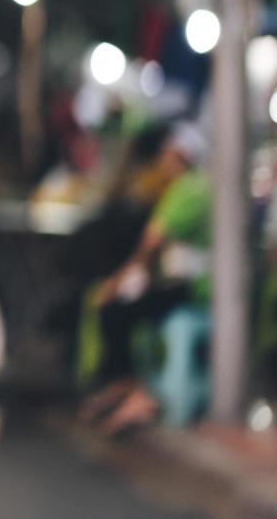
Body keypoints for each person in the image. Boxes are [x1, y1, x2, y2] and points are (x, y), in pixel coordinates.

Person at [78, 120, 211, 435]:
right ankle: (129, 385)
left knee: (117, 309)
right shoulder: (193, 187)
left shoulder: (189, 189)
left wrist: (115, 284)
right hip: (189, 286)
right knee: (126, 308)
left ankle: (133, 387)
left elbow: (149, 245)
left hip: (196, 291)